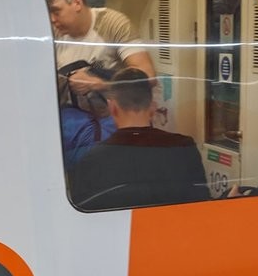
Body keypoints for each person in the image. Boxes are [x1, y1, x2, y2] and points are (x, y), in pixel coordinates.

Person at [69, 68, 209, 211]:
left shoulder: (91, 160)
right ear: (153, 107)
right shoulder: (183, 148)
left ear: (112, 107)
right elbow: (200, 207)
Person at [44, 0, 155, 116]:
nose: (52, 19)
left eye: (56, 11)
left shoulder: (113, 24)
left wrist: (99, 84)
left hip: (115, 118)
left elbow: (148, 77)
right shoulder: (52, 34)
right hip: (77, 120)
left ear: (77, 3)